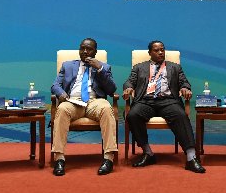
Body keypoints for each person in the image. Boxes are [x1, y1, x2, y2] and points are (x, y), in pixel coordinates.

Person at [122, 41, 205, 173]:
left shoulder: (175, 67)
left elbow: (184, 82)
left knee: (181, 115)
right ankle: (148, 153)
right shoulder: (139, 67)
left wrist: (185, 88)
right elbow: (129, 82)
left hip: (168, 101)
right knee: (132, 115)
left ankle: (191, 157)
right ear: (150, 53)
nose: (161, 52)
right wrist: (129, 88)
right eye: (157, 50)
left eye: (162, 49)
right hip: (145, 101)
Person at [50, 38, 118, 176]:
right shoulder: (67, 65)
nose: (85, 51)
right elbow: (55, 85)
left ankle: (108, 159)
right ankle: (59, 159)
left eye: (89, 49)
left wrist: (99, 69)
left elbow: (111, 90)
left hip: (95, 101)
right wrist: (61, 93)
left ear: (95, 52)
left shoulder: (104, 67)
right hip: (73, 101)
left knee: (106, 108)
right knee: (62, 109)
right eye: (82, 48)